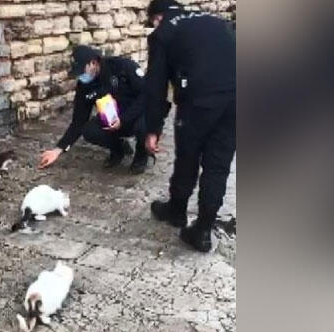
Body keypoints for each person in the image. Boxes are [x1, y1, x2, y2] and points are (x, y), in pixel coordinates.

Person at [142, 0, 236, 252]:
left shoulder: (163, 32)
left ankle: (176, 210)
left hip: (199, 101)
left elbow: (156, 85)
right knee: (218, 163)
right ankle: (203, 230)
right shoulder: (215, 20)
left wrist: (153, 128)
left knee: (188, 155)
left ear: (157, 17)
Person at [38, 45, 156, 174]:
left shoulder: (123, 67)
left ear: (93, 63)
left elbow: (147, 96)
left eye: (82, 71)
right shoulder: (85, 85)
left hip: (135, 115)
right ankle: (118, 149)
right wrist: (58, 150)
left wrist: (124, 119)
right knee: (89, 130)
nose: (81, 77)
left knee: (146, 122)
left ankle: (141, 156)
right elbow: (78, 121)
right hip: (111, 121)